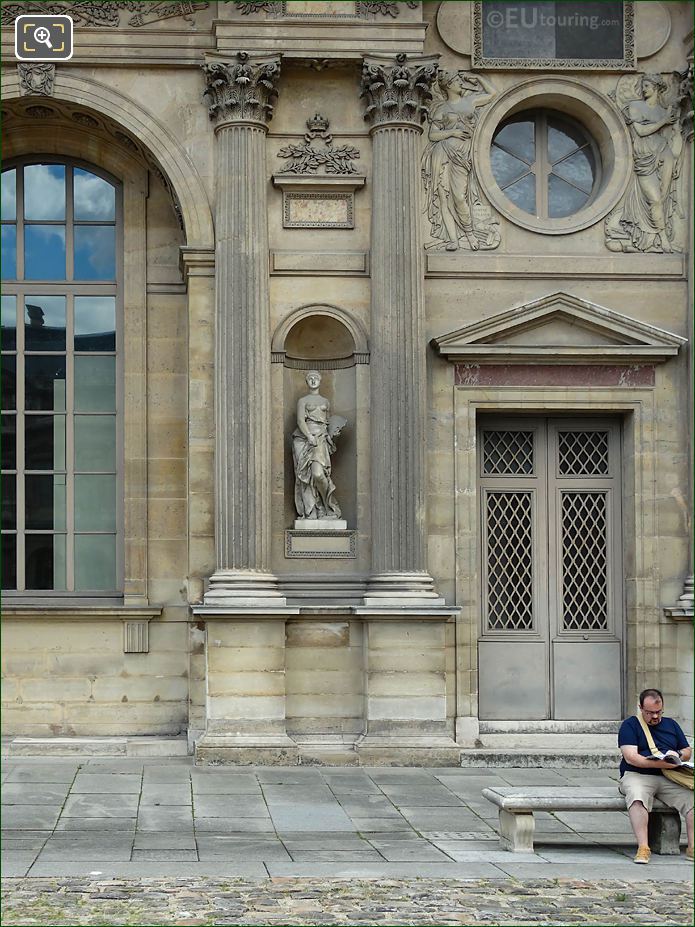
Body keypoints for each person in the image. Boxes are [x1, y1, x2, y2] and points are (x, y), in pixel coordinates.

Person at [421, 71, 499, 252]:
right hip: (442, 154)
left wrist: (479, 79)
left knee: (459, 197)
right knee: (443, 198)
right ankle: (453, 239)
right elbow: (432, 135)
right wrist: (452, 132)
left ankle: (469, 233)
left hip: (462, 157)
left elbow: (493, 94)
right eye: (456, 81)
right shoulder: (441, 109)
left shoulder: (469, 101)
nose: (460, 83)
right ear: (448, 85)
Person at [618, 688, 693, 863]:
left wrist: (678, 757)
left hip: (669, 776)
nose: (655, 717)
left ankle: (692, 847)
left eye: (658, 712)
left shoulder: (671, 724)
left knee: (692, 798)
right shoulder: (630, 725)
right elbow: (631, 757)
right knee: (637, 797)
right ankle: (643, 847)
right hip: (638, 774)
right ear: (641, 708)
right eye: (650, 713)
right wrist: (659, 763)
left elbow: (687, 750)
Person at [291, 370, 342, 521]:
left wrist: (333, 434)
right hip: (304, 438)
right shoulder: (303, 401)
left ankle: (329, 508)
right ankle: (311, 510)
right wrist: (308, 436)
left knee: (319, 474)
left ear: (320, 381)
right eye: (310, 378)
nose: (313, 380)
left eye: (316, 378)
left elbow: (328, 421)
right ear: (307, 382)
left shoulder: (325, 401)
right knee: (305, 475)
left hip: (320, 438)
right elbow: (300, 421)